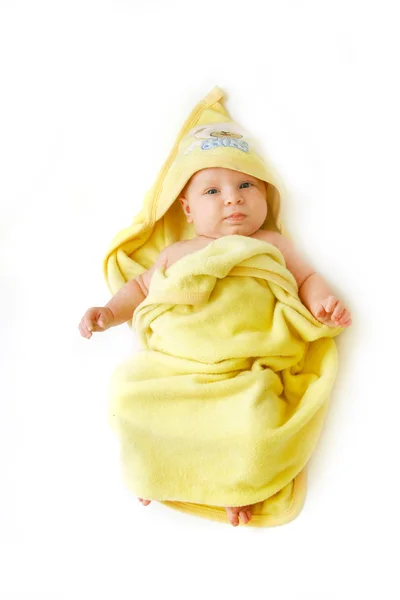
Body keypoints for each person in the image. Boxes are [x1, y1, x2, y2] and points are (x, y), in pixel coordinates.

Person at [79, 165, 352, 527]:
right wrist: (110, 311)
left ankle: (233, 486)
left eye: (246, 185)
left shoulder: (270, 244)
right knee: (130, 398)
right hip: (177, 364)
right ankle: (157, 468)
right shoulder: (176, 253)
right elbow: (143, 289)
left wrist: (322, 303)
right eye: (212, 192)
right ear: (187, 209)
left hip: (243, 367)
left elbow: (306, 278)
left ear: (265, 198)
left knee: (255, 425)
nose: (232, 197)